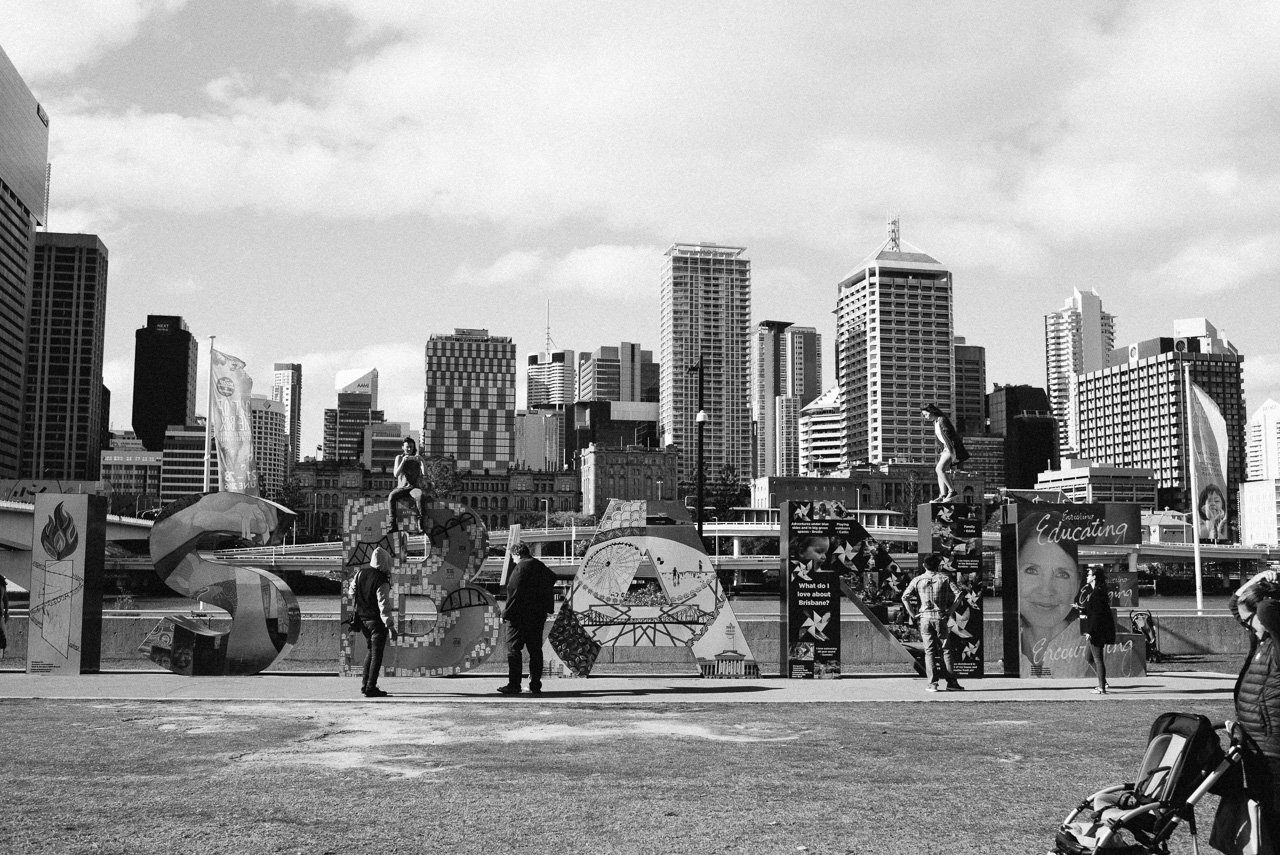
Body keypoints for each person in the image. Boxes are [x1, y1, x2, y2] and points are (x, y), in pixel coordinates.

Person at [1229, 568, 1280, 831]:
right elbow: (1235, 605)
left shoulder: (1277, 643)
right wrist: (1259, 577)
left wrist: (1269, 589)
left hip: (1274, 751)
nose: (1247, 626)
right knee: (1265, 821)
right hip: (1254, 746)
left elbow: (1268, 610)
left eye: (1251, 621)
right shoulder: (1260, 640)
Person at [1016, 511, 1090, 677]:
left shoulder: (1112, 653)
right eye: (1032, 570)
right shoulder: (1013, 650)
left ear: (1077, 583)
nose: (1046, 590)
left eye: (1062, 574)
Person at [498, 543, 557, 696]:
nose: (513, 559)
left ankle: (514, 684)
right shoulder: (540, 566)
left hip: (519, 617)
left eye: (512, 556)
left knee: (513, 649)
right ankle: (535, 685)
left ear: (517, 554)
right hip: (537, 616)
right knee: (535, 651)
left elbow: (514, 593)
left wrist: (505, 614)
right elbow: (553, 578)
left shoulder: (521, 568)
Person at [901, 553, 963, 691]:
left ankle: (933, 683)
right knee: (946, 650)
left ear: (924, 565)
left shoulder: (917, 580)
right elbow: (959, 595)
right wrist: (950, 611)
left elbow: (905, 597)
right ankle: (952, 682)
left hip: (925, 617)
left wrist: (912, 614)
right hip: (940, 617)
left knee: (929, 651)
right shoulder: (945, 578)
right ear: (938, 566)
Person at [348, 546, 397, 698]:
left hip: (362, 621)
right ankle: (370, 687)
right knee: (377, 655)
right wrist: (390, 626)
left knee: (371, 651)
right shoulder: (382, 580)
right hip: (376, 622)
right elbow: (383, 605)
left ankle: (365, 685)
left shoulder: (360, 573)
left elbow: (351, 592)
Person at [1076, 566, 1116, 693]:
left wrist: (1090, 632)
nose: (1087, 576)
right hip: (1097, 630)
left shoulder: (1097, 593)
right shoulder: (1096, 592)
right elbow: (1093, 610)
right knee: (1089, 658)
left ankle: (1101, 688)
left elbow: (1097, 616)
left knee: (1098, 659)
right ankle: (1103, 682)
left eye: (1089, 574)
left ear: (1094, 577)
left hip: (1097, 631)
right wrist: (1081, 608)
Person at [920, 404, 970, 503]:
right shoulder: (935, 422)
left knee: (939, 469)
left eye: (926, 414)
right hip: (946, 449)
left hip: (951, 448)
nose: (925, 417)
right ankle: (942, 495)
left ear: (931, 412)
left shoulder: (942, 420)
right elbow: (942, 438)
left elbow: (951, 436)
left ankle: (952, 491)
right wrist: (942, 449)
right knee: (940, 471)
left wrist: (952, 450)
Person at [388, 436, 428, 532]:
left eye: (411, 447)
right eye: (407, 447)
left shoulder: (417, 459)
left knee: (420, 496)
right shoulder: (399, 458)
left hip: (414, 488)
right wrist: (403, 461)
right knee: (391, 497)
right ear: (403, 447)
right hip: (401, 488)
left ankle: (420, 523)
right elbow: (395, 474)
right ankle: (393, 524)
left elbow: (425, 473)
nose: (409, 449)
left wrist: (422, 461)